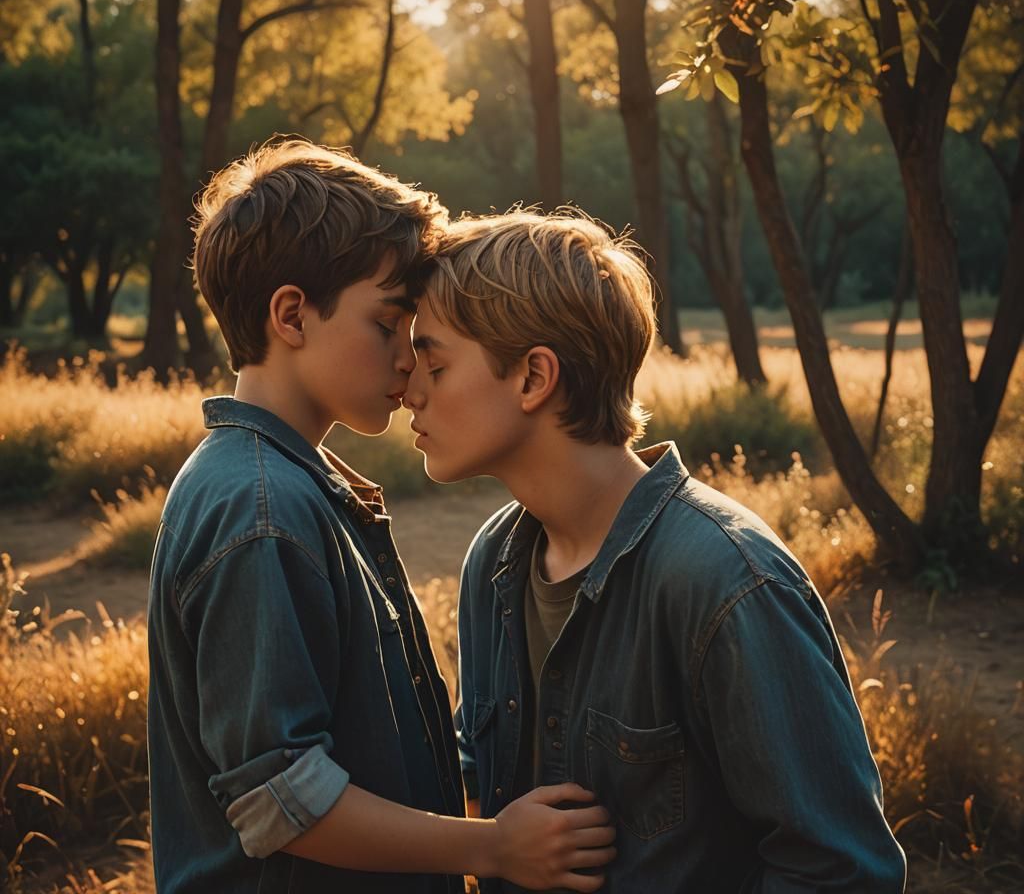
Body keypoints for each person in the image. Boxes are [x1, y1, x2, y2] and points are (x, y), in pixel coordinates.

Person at [147, 142, 616, 894]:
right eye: (388, 322)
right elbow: (281, 803)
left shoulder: (298, 484)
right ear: (292, 316)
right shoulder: (260, 510)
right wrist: (492, 847)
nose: (410, 356)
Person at [402, 209, 907, 892]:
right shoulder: (493, 560)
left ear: (532, 378)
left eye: (432, 362)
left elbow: (839, 869)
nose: (410, 389)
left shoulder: (728, 580)